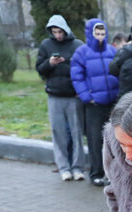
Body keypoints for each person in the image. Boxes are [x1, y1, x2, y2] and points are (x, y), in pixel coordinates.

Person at [70, 18, 119, 187]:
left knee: (114, 139)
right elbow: (77, 76)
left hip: (112, 102)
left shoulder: (112, 51)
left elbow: (118, 72)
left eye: (103, 33)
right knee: (95, 140)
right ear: (90, 34)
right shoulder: (81, 53)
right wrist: (87, 97)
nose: (100, 37)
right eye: (97, 33)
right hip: (94, 105)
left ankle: (113, 174)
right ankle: (96, 173)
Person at [36, 14, 85, 182]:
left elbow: (84, 68)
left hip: (74, 96)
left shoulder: (77, 45)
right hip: (54, 95)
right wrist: (50, 63)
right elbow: (40, 69)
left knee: (76, 132)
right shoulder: (46, 45)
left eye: (60, 31)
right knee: (58, 132)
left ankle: (78, 167)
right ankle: (64, 167)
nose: (58, 35)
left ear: (66, 30)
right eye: (54, 32)